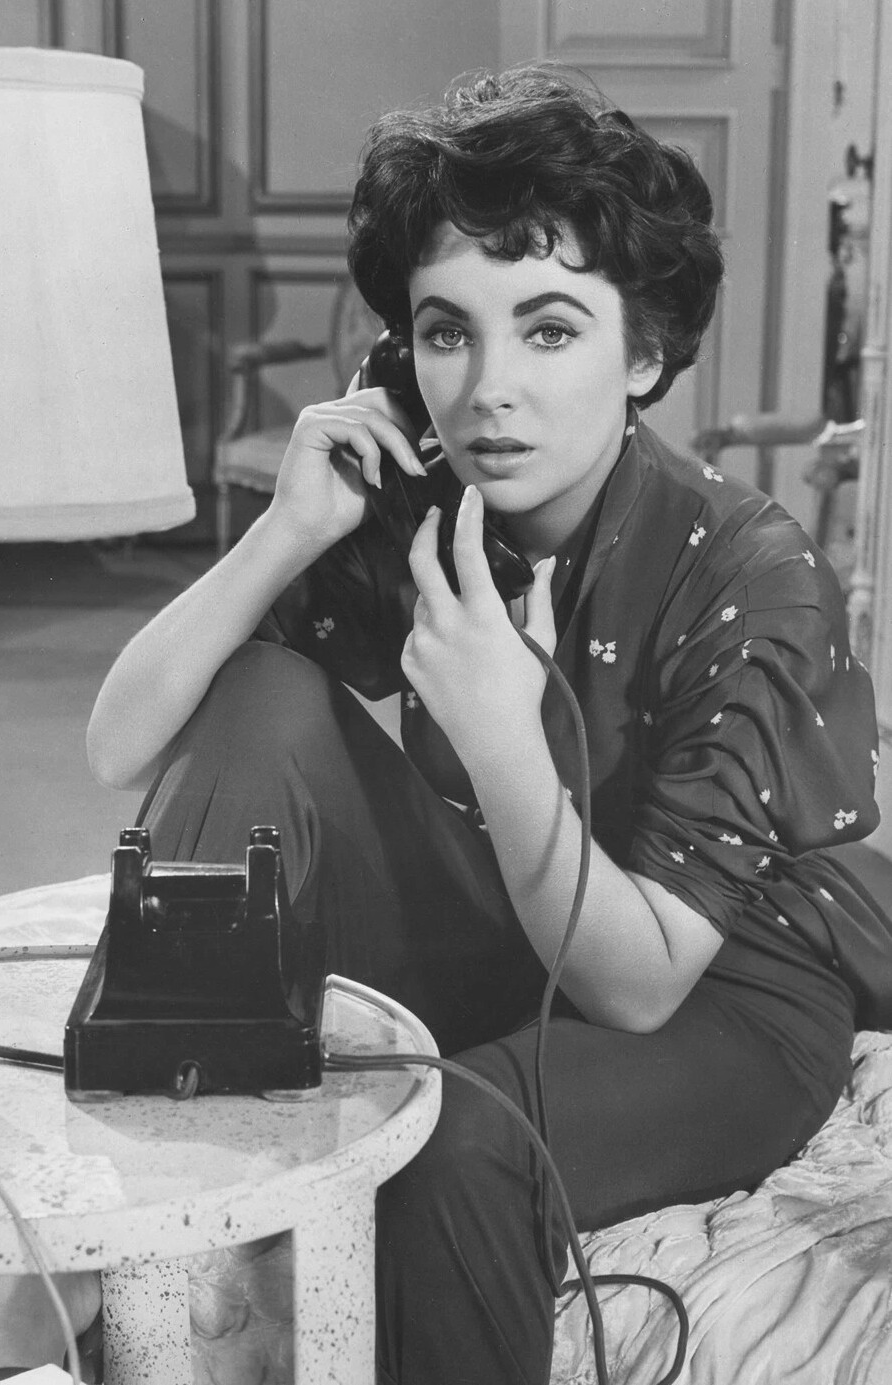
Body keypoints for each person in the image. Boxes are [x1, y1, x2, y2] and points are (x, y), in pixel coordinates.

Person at [86, 65, 892, 1385]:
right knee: (261, 692)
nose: (488, 388)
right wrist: (288, 530)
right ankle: (159, 1228)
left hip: (719, 994)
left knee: (449, 1136)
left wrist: (503, 732)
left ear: (644, 354)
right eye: (448, 333)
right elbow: (120, 746)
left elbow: (638, 984)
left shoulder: (756, 571)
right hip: (508, 920)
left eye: (551, 330)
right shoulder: (424, 496)